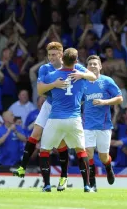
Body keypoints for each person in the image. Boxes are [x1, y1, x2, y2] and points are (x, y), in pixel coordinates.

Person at [13, 42, 96, 191]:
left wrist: (82, 74)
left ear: (61, 54)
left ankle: (63, 177)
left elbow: (91, 75)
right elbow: (40, 91)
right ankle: (22, 167)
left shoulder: (75, 67)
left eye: (54, 55)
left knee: (61, 143)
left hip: (64, 109)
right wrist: (55, 85)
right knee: (36, 133)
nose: (51, 58)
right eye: (49, 55)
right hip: (50, 105)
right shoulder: (45, 68)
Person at [39, 48, 91, 192]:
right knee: (81, 151)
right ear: (76, 61)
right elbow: (93, 78)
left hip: (55, 118)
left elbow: (40, 91)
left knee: (44, 151)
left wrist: (53, 86)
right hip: (74, 119)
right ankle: (86, 185)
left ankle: (47, 185)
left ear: (62, 59)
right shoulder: (81, 77)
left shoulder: (52, 76)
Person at [69, 55, 122, 192]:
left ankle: (108, 167)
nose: (92, 66)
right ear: (87, 67)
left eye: (95, 64)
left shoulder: (107, 81)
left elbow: (119, 98)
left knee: (103, 157)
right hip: (87, 126)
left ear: (100, 66)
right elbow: (78, 100)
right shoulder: (83, 83)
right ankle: (92, 183)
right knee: (88, 154)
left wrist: (105, 102)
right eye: (90, 64)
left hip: (104, 126)